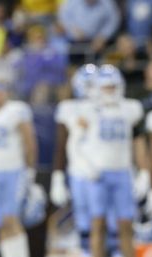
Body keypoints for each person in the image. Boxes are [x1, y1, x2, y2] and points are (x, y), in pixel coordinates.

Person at [80, 65, 152, 257]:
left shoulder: (130, 109)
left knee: (126, 225)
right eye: (106, 87)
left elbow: (138, 143)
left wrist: (145, 172)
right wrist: (87, 165)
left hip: (123, 172)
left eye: (113, 86)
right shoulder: (88, 110)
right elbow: (79, 143)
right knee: (97, 224)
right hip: (98, 174)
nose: (110, 91)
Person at [0, 81, 37, 257]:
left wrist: (30, 170)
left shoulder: (16, 110)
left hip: (15, 170)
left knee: (11, 220)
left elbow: (30, 142)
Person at [50, 63, 99, 256]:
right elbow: (62, 145)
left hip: (104, 170)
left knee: (105, 220)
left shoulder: (110, 108)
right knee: (82, 220)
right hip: (78, 171)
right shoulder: (68, 108)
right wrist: (58, 177)